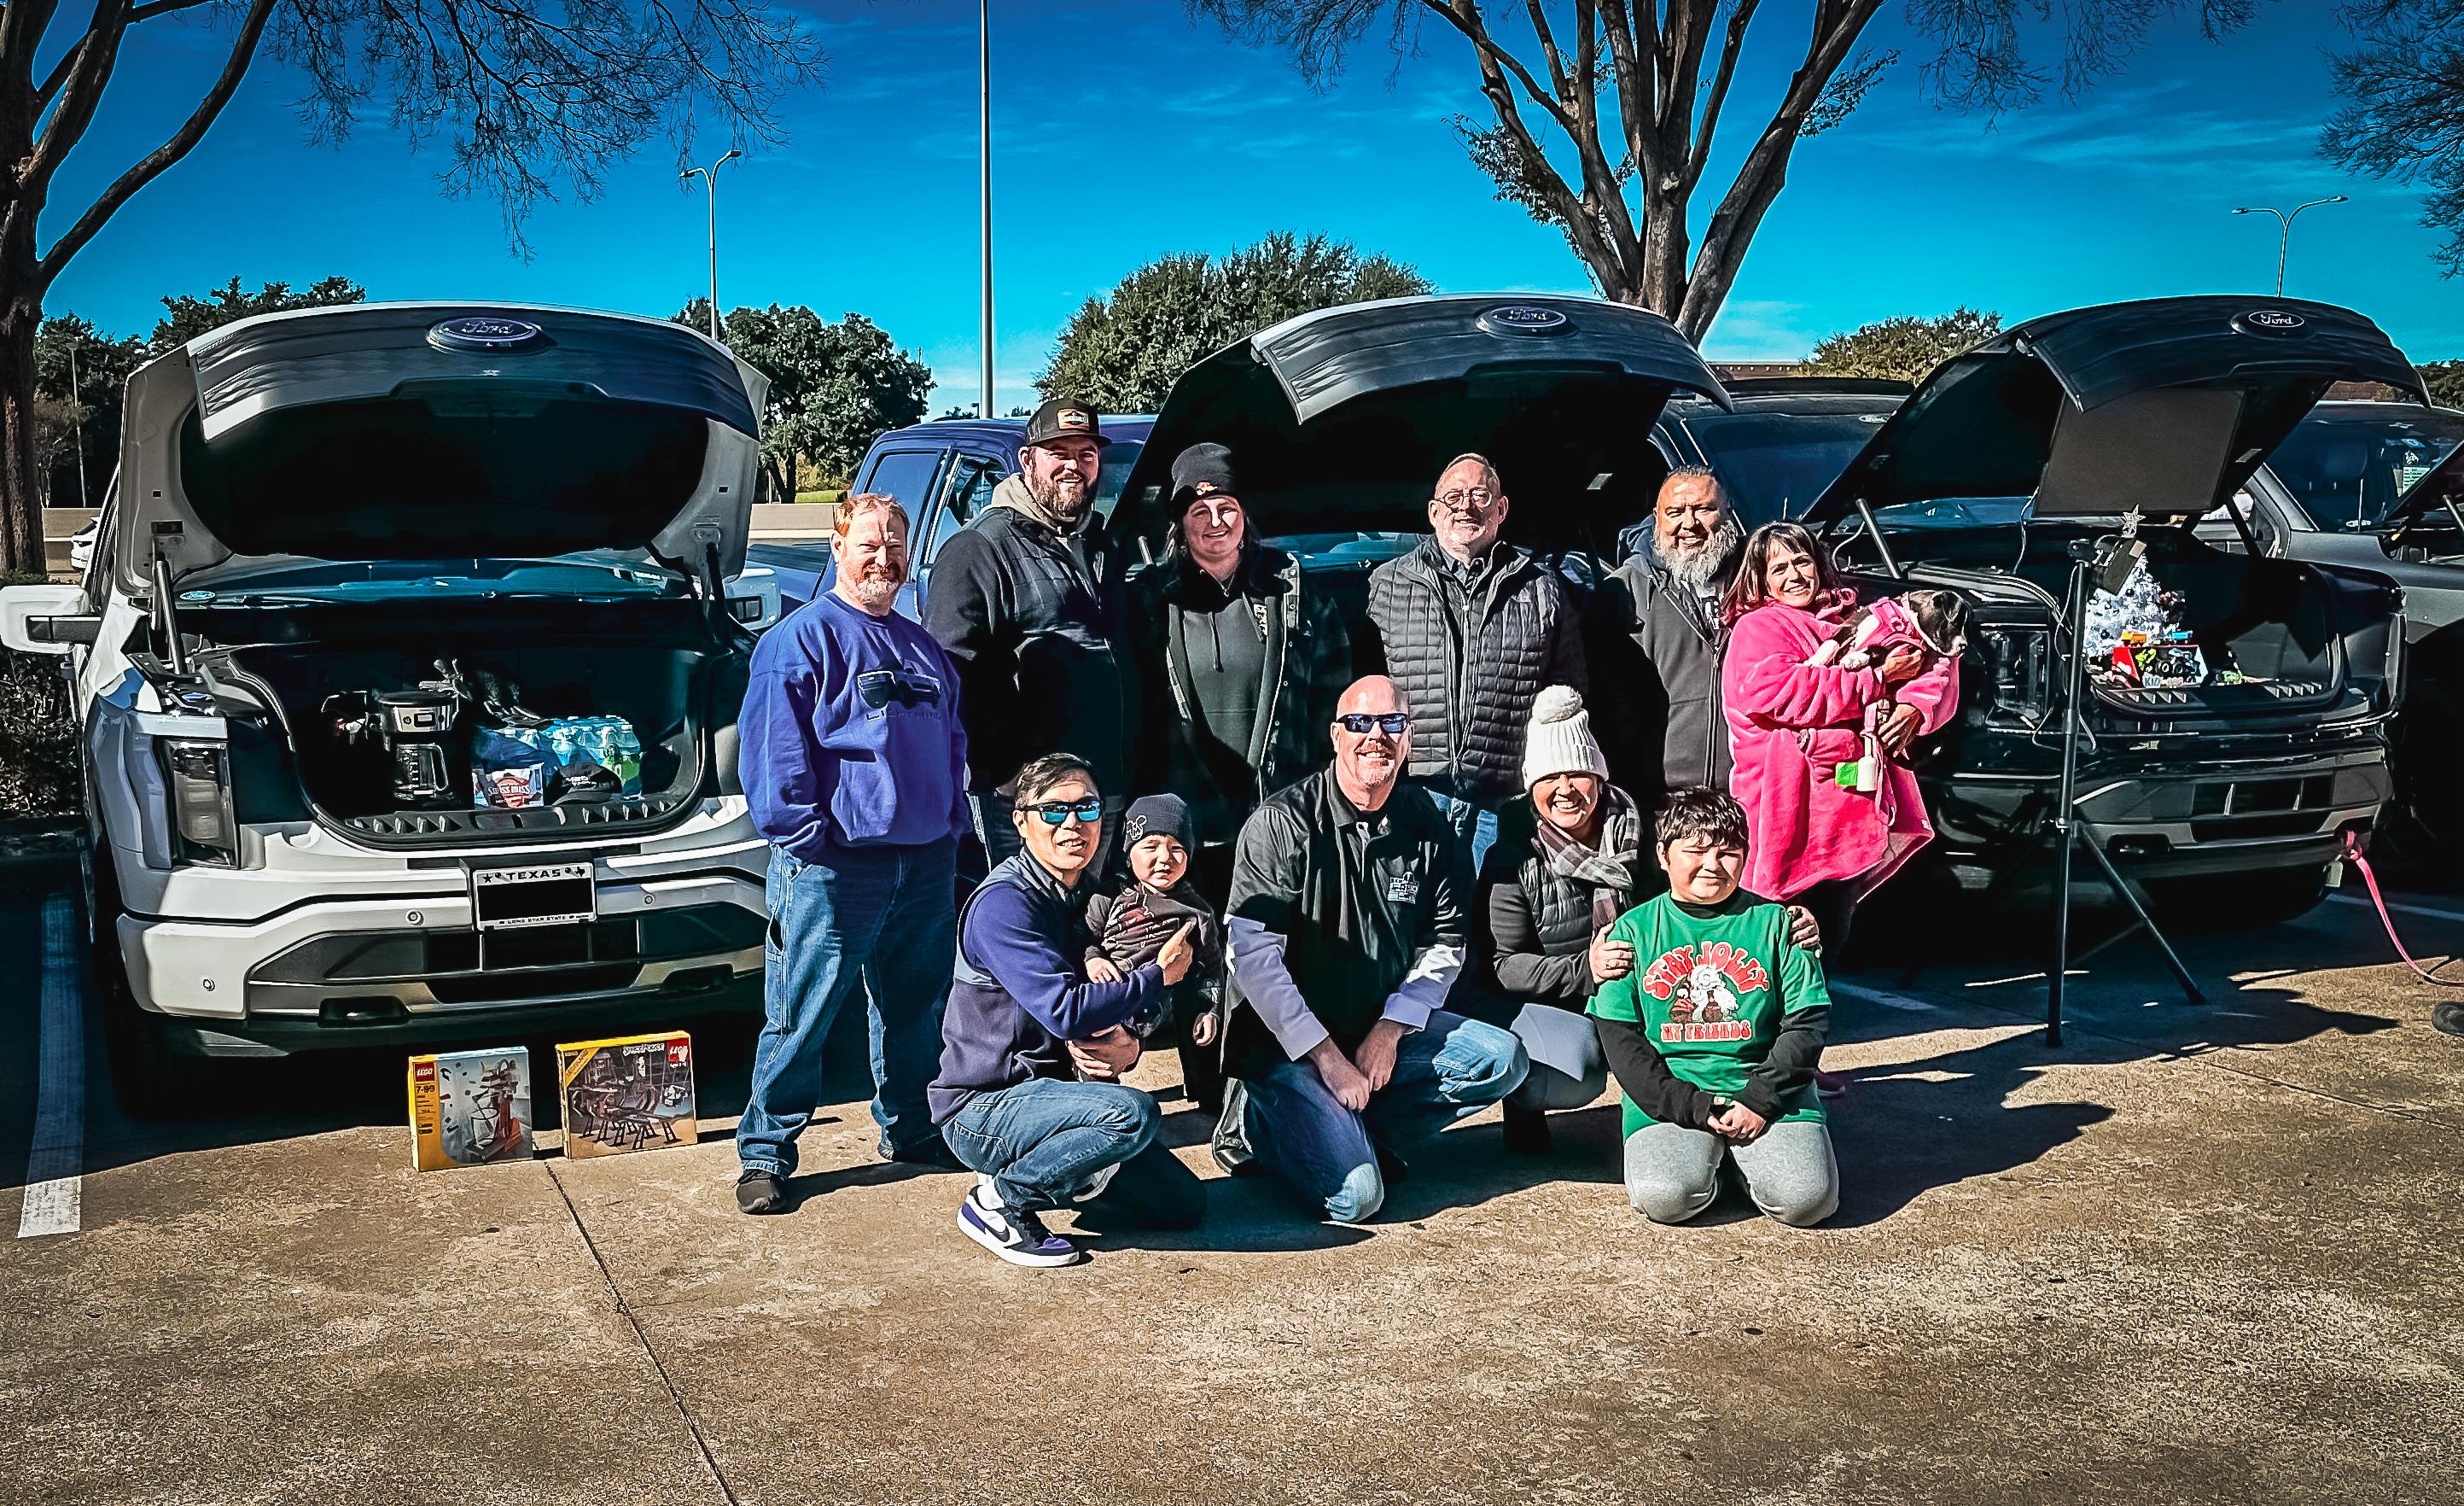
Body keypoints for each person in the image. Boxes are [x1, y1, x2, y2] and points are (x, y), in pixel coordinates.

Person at [1220, 674, 1530, 1224]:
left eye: (1392, 723)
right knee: (1357, 1200)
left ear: (1408, 738)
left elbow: (1446, 942)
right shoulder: (1282, 823)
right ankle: (1258, 1126)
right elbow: (1253, 960)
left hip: (1371, 1025)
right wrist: (1328, 1058)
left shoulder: (1427, 824)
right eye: (1360, 723)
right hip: (1286, 1045)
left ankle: (1350, 1131)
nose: (1376, 736)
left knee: (1501, 1059)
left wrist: (1390, 1030)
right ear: (1335, 735)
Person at [734, 494, 970, 1215]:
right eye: (869, 543)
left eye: (895, 544)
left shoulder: (920, 644)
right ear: (837, 548)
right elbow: (774, 756)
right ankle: (766, 1153)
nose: (884, 557)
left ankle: (911, 1129)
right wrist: (807, 839)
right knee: (801, 1014)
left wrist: (952, 823)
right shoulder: (797, 642)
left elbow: (951, 738)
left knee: (914, 1010)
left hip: (924, 862)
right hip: (835, 865)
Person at [1465, 687, 1824, 1156]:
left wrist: (1783, 920)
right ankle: (1526, 1102)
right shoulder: (1511, 858)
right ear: (1531, 786)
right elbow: (1502, 965)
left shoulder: (1647, 835)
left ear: (1599, 775)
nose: (1566, 788)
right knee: (1579, 1070)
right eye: (1550, 777)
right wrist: (1587, 967)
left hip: (1650, 987)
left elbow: (1706, 896)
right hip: (1558, 999)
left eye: (1578, 772)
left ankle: (1683, 1099)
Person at [930, 754, 1207, 1267]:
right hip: (985, 1106)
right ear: (1022, 821)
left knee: (1183, 1206)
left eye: (1087, 807)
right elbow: (1065, 1011)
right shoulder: (1004, 905)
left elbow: (1105, 1010)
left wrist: (1130, 1042)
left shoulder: (1083, 894)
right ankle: (1002, 1201)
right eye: (1053, 810)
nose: (1073, 823)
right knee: (1131, 1116)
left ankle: (1067, 1171)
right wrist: (1157, 977)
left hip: (1058, 1096)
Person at [1586, 787, 1838, 1228]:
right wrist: (1693, 1107)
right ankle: (1715, 1164)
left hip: (1769, 1094)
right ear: (1663, 855)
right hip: (1672, 1094)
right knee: (1667, 1199)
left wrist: (1761, 1100)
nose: (1712, 865)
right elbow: (1622, 1042)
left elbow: (1807, 1025)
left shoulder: (1784, 924)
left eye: (1728, 852)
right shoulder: (1631, 930)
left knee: (1806, 1202)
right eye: (1696, 850)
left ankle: (1747, 1163)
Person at [1125, 442, 1351, 902]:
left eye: (1226, 507)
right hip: (1183, 825)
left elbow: (1334, 696)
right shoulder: (1148, 602)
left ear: (1244, 516)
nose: (1215, 522)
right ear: (1179, 525)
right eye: (1199, 511)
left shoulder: (1293, 595)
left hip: (1282, 812)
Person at [1718, 522, 1960, 946]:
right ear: (1760, 580)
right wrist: (1879, 676)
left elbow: (1936, 657)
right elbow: (1777, 693)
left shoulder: (1864, 620)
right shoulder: (1758, 628)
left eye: (1802, 561)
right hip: (1787, 806)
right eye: (1779, 569)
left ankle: (1816, 1009)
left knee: (1831, 922)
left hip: (1848, 801)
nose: (1794, 576)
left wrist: (1914, 708)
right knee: (1777, 936)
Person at [923, 397, 1128, 871]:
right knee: (1029, 931)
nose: (1073, 466)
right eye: (1059, 452)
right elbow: (951, 675)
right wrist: (1005, 775)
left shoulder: (1106, 544)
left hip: (1108, 789)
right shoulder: (980, 548)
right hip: (1034, 803)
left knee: (1098, 929)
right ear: (1028, 460)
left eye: (1086, 454)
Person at [1363, 452, 1585, 878]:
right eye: (1453, 497)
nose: (1465, 507)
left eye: (1480, 495)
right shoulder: (1386, 585)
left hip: (1502, 803)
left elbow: (1567, 697)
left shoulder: (1541, 588)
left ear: (1500, 509)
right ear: (1433, 512)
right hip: (1409, 796)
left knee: (1490, 930)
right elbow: (1361, 691)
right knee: (1408, 925)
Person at [1599, 467, 1748, 798]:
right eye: (1675, 512)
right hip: (1658, 799)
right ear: (1656, 518)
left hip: (1749, 793)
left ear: (1728, 513)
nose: (1689, 524)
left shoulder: (1759, 584)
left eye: (1704, 509)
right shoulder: (1623, 593)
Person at [1085, 794, 1226, 1109]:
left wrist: (1211, 1011)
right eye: (1151, 846)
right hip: (1103, 991)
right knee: (1095, 1041)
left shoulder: (1196, 911)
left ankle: (1207, 1096)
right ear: (1128, 853)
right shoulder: (1108, 896)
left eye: (1177, 849)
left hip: (1151, 1003)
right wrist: (1093, 959)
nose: (1165, 857)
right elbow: (1083, 938)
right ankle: (1099, 1100)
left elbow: (1213, 968)